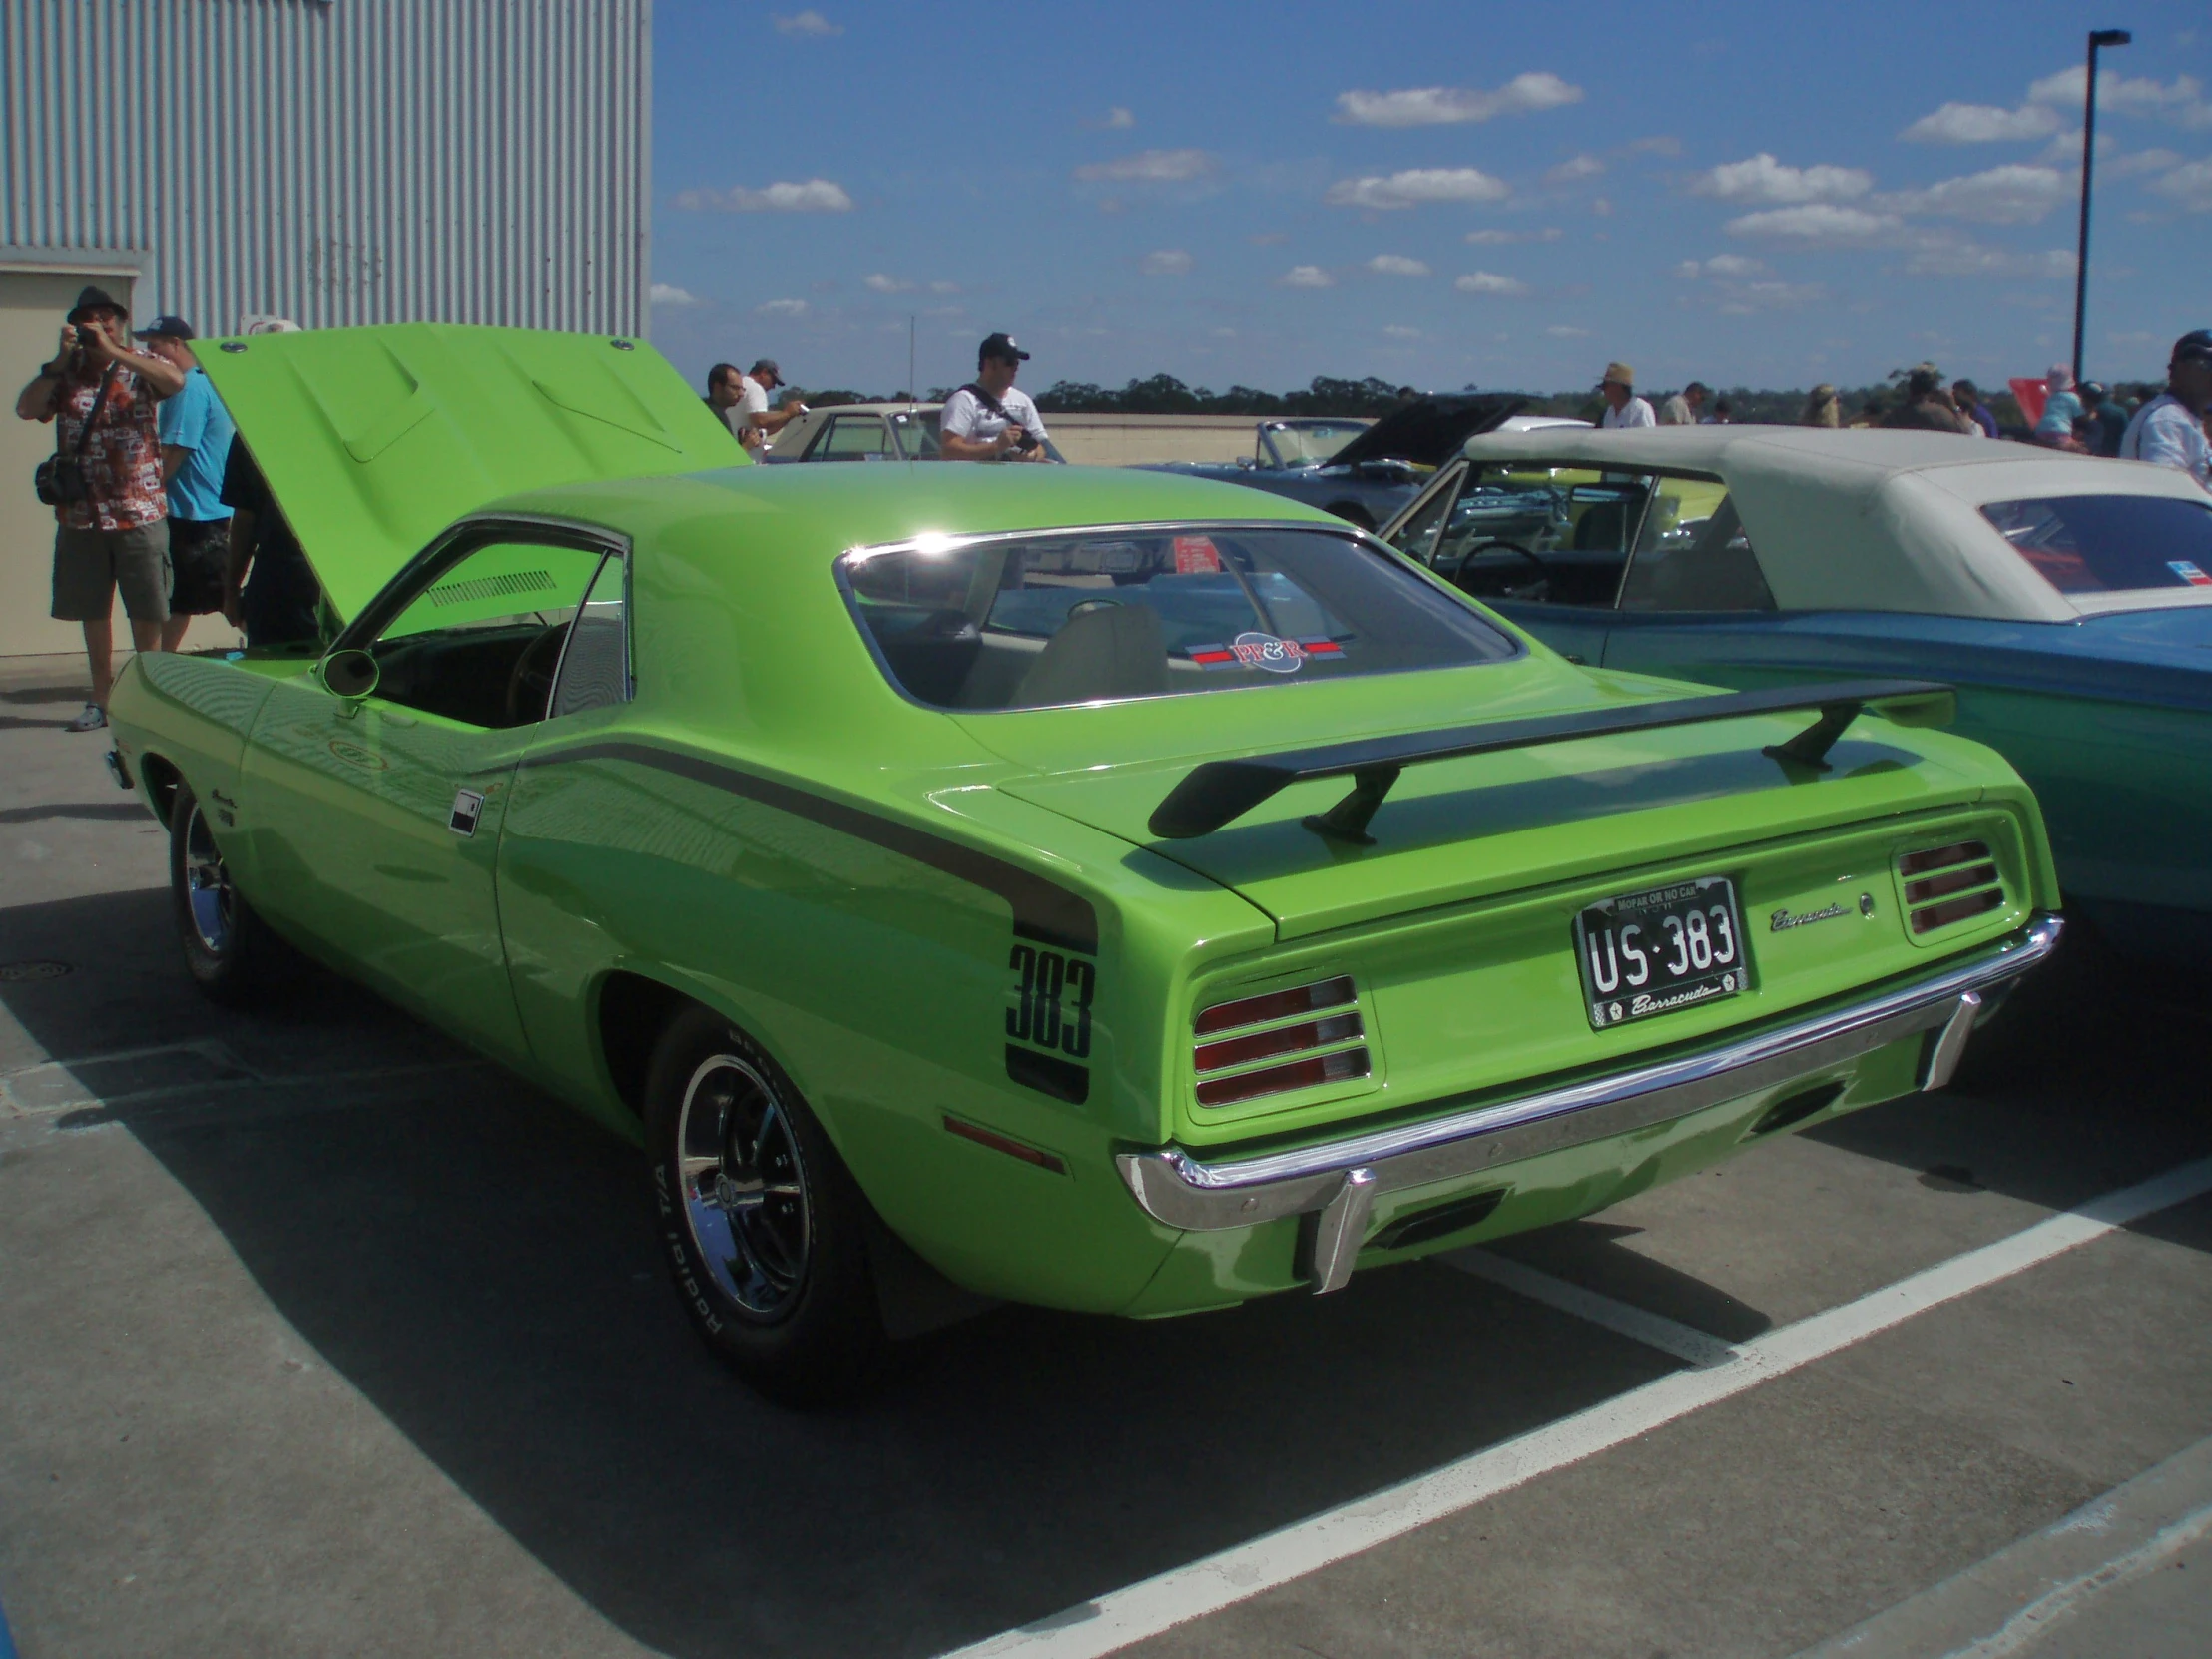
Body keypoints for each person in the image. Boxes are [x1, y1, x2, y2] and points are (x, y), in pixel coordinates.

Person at [13, 283, 187, 731]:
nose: (99, 324)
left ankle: (148, 697)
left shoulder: (144, 365)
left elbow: (175, 381)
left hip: (139, 509)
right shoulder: (65, 373)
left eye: (107, 318)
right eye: (89, 318)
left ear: (120, 323)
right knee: (92, 608)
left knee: (148, 608)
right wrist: (56, 363)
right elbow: (26, 409)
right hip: (83, 514)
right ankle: (101, 697)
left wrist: (114, 351)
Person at [216, 317, 322, 647]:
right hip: (278, 573)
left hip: (325, 572)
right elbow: (244, 517)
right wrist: (232, 588)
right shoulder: (253, 430)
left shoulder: (329, 423)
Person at [136, 316, 235, 650]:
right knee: (181, 597)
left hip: (195, 513)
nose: (150, 356)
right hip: (200, 509)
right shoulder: (203, 382)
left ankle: (274, 645)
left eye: (155, 347)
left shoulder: (188, 388)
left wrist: (147, 493)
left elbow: (176, 449)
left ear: (176, 345)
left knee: (218, 591)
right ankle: (164, 661)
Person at [2118, 330, 2212, 489]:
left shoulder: (2187, 417)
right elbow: (2166, 491)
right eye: (2208, 365)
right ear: (2180, 370)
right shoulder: (2168, 420)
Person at [941, 333, 1053, 461]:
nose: (1015, 368)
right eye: (1009, 363)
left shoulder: (1023, 402)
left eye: (1017, 363)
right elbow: (949, 451)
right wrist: (996, 447)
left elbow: (1041, 446)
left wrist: (1031, 456)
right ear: (989, 364)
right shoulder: (964, 401)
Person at [732, 358, 805, 453]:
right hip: (747, 460)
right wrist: (787, 413)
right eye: (773, 381)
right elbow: (760, 421)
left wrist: (788, 417)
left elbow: (763, 431)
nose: (773, 387)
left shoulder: (741, 384)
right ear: (763, 373)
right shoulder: (756, 389)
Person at [1882, 365, 1974, 434]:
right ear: (1933, 389)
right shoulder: (1941, 414)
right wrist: (1953, 407)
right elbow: (1966, 432)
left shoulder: (1894, 416)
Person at [2034, 364, 2083, 450]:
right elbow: (2081, 417)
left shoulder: (2050, 399)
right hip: (2061, 432)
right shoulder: (2073, 398)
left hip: (2041, 431)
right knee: (2078, 448)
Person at [1595, 362, 1655, 430]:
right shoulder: (1609, 413)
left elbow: (1648, 437)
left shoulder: (1641, 410)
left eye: (1605, 386)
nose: (1603, 391)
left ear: (1618, 387)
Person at [2080, 382, 2127, 458]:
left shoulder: (2087, 412)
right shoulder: (2120, 412)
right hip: (2113, 457)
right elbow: (2126, 437)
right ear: (2111, 395)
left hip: (2089, 455)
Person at [703, 362, 747, 439]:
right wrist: (747, 446)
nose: (741, 394)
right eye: (734, 388)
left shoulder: (702, 408)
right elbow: (723, 451)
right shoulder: (717, 416)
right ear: (717, 388)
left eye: (742, 389)